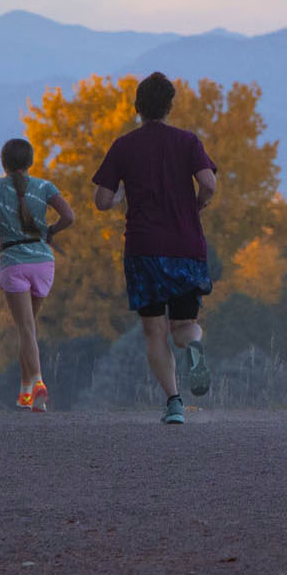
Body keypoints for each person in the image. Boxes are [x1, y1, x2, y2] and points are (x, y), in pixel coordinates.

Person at [92, 72, 218, 426]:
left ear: (137, 107)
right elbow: (209, 182)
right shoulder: (188, 141)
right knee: (184, 323)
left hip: (144, 249)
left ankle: (174, 402)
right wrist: (198, 203)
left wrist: (119, 195)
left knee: (154, 331)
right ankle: (193, 346)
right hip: (186, 247)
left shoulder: (124, 146)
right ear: (169, 106)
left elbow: (101, 200)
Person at [0, 137, 76, 411]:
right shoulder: (45, 187)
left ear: (3, 163)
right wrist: (51, 231)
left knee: (25, 329)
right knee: (27, 329)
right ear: (30, 162)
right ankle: (26, 393)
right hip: (43, 263)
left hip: (14, 263)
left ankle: (38, 383)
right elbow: (69, 217)